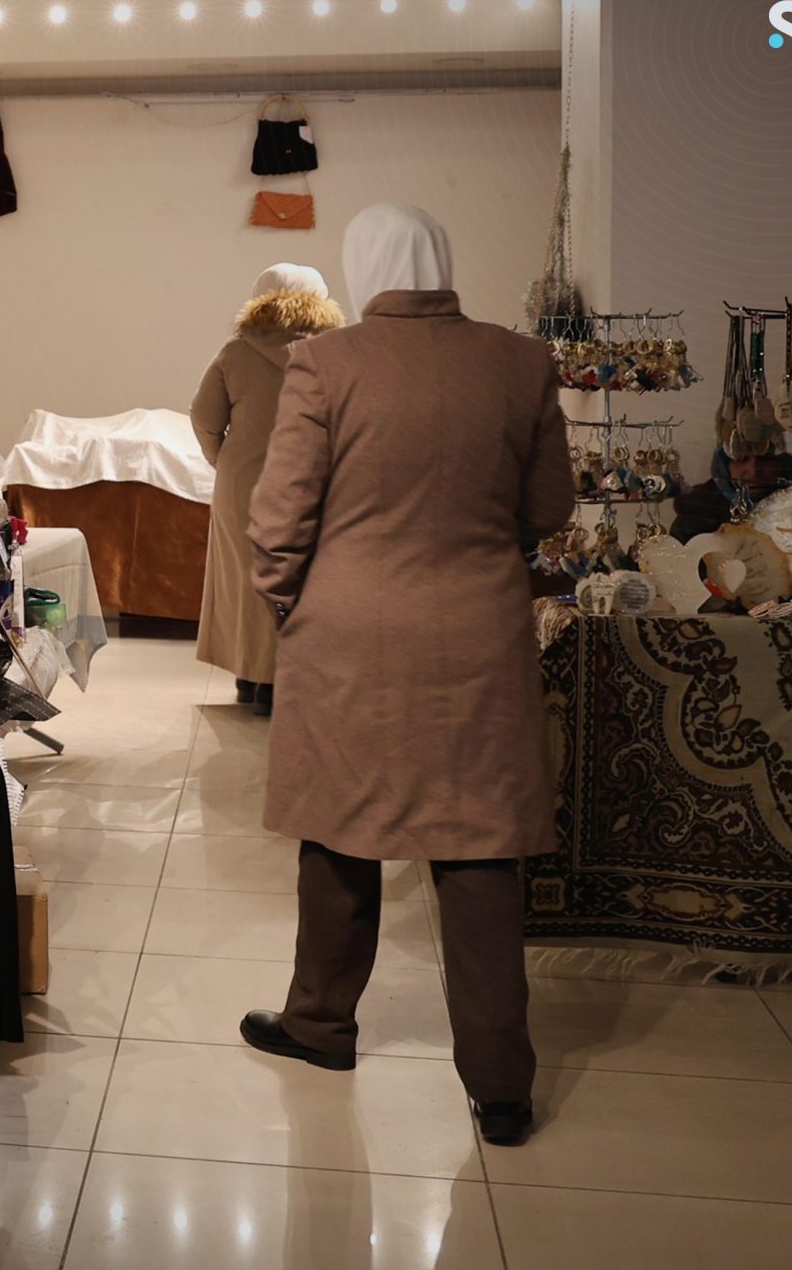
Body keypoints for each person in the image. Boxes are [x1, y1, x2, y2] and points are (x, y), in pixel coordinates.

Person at [238, 202, 572, 1149]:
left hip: (349, 635)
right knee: (479, 848)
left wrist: (292, 605)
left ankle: (320, 1024)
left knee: (341, 829)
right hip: (481, 633)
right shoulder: (520, 361)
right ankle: (501, 1088)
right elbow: (550, 504)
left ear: (364, 265)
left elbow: (279, 521)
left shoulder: (325, 363)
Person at [191, 263, 345, 716]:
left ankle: (251, 678)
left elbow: (204, 417)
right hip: (315, 481)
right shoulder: (339, 352)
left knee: (247, 578)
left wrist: (223, 460)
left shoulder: (237, 350)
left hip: (245, 483)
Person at [669, 446, 792, 541]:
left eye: (766, 459)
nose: (753, 471)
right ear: (724, 462)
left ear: (785, 462)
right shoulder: (697, 510)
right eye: (741, 459)